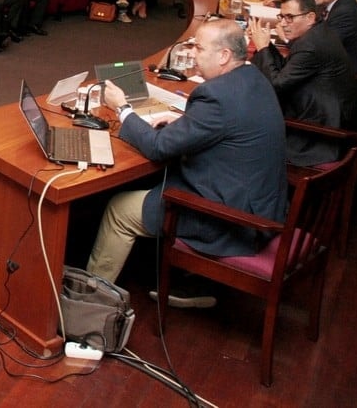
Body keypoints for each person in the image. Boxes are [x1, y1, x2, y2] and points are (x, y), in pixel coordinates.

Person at [87, 20, 288, 299]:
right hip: (262, 205)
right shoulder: (254, 78)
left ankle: (92, 299)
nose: (192, 53)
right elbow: (230, 125)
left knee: (119, 209)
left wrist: (122, 109)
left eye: (198, 47)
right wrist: (187, 121)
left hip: (229, 220)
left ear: (224, 56)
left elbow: (158, 147)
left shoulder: (215, 96)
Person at [249, 0, 357, 167]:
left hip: (322, 134)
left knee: (247, 133)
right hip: (324, 111)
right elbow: (287, 70)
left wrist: (263, 48)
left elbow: (277, 84)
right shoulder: (317, 33)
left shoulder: (311, 45)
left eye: (290, 17)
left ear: (310, 17)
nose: (284, 24)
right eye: (281, 17)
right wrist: (267, 47)